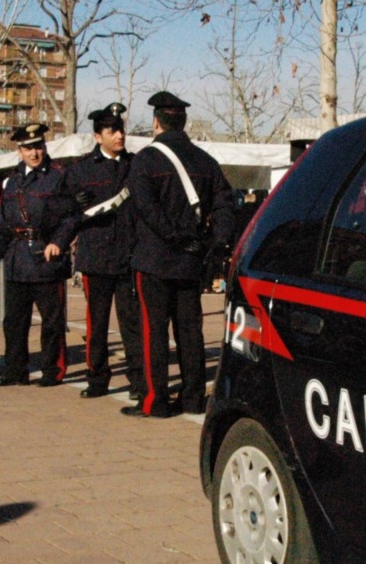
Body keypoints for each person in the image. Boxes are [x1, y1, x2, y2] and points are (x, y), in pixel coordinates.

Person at [122, 91, 234, 418]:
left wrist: (175, 236)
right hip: (191, 260)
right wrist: (215, 243)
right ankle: (193, 398)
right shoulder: (205, 161)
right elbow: (225, 205)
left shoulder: (145, 160)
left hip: (154, 259)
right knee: (189, 332)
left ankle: (155, 402)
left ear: (156, 122)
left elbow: (146, 210)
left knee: (153, 333)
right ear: (183, 122)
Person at [54, 103, 144, 400]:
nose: (119, 135)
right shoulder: (80, 170)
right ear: (97, 136)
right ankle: (97, 378)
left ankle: (138, 380)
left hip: (130, 254)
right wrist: (60, 239)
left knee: (132, 323)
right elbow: (65, 211)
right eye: (112, 131)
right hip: (96, 256)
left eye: (121, 130)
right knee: (97, 323)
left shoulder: (135, 166)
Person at [0, 122, 75, 387]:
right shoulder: (12, 181)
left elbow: (70, 217)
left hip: (45, 258)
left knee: (52, 322)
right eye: (28, 148)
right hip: (16, 259)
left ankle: (52, 370)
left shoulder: (58, 177)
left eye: (38, 147)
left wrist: (58, 241)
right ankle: (15, 370)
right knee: (13, 322)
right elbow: (3, 221)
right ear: (19, 151)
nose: (34, 153)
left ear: (45, 147)